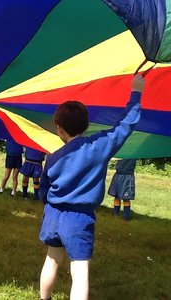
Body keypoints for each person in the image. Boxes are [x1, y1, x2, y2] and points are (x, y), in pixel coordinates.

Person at [38, 74, 145, 300]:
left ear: (59, 128)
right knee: (80, 270)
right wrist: (136, 91)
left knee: (51, 259)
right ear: (86, 125)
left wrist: (47, 203)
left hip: (53, 214)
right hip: (79, 218)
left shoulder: (53, 158)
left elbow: (44, 190)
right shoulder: (99, 147)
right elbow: (125, 126)